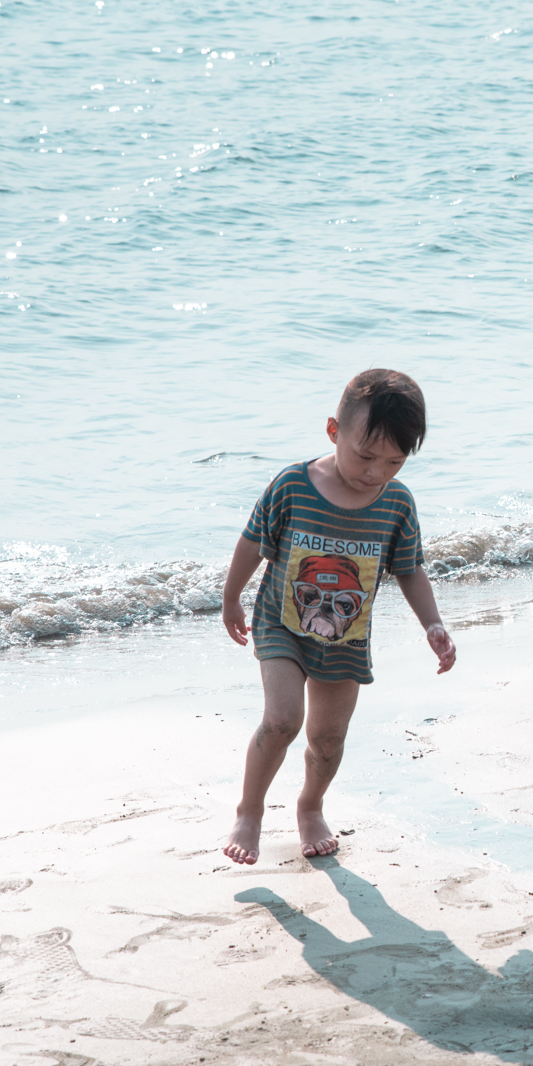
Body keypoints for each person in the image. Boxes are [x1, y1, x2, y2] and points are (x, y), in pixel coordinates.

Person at [220, 369, 456, 864]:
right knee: (283, 720)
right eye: (365, 456)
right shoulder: (292, 485)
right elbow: (251, 544)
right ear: (334, 431)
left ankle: (310, 806)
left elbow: (410, 570)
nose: (375, 472)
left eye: (393, 461)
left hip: (346, 640)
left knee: (327, 739)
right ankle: (250, 811)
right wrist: (231, 598)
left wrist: (432, 623)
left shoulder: (397, 504)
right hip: (280, 622)